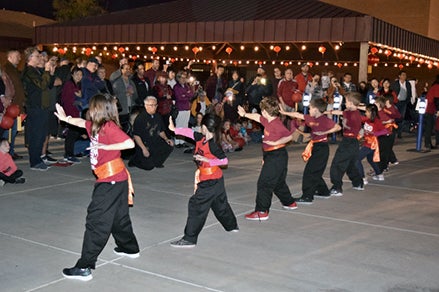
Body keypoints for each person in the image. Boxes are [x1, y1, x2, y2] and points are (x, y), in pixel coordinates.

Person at [55, 94, 139, 281]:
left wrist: (106, 148)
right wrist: (65, 118)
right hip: (115, 179)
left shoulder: (108, 126)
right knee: (119, 217)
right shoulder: (95, 125)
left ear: (100, 109)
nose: (89, 110)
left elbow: (129, 143)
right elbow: (79, 122)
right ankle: (129, 247)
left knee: (96, 221)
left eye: (92, 107)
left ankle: (84, 267)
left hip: (110, 180)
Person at [168, 113, 238, 248]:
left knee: (196, 206)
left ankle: (189, 238)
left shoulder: (213, 145)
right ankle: (231, 226)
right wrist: (174, 129)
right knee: (220, 204)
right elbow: (189, 132)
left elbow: (224, 160)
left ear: (205, 127)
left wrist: (208, 160)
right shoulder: (202, 138)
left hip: (209, 181)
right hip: (215, 179)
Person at [237, 97, 298, 221]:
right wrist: (244, 114)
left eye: (262, 110)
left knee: (264, 183)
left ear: (265, 111)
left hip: (276, 155)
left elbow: (289, 137)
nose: (261, 113)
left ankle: (262, 211)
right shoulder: (268, 120)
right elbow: (256, 117)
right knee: (278, 182)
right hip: (273, 155)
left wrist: (276, 142)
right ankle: (289, 203)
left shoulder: (276, 124)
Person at [279, 99, 341, 204]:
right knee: (315, 171)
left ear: (316, 110)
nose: (308, 109)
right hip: (315, 146)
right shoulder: (310, 118)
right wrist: (285, 113)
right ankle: (324, 191)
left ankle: (307, 197)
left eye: (310, 108)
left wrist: (325, 132)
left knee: (309, 172)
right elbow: (297, 114)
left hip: (322, 148)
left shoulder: (324, 120)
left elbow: (338, 127)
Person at [21, 47, 56, 171]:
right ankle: (34, 161)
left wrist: (50, 73)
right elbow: (41, 85)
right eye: (37, 56)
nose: (40, 58)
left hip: (42, 106)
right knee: (36, 135)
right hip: (35, 107)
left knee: (41, 135)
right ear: (30, 58)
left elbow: (48, 85)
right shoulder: (29, 71)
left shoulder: (37, 70)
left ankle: (39, 158)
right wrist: (46, 71)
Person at [328, 92, 364, 196]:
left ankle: (337, 187)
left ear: (352, 103)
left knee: (337, 164)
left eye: (347, 101)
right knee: (350, 164)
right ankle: (358, 183)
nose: (345, 103)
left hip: (348, 141)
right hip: (354, 142)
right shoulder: (354, 112)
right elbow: (341, 113)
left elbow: (341, 113)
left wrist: (327, 112)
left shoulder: (351, 114)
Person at [128, 96, 174, 170]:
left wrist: (166, 139)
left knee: (169, 145)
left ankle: (157, 162)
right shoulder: (140, 118)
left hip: (154, 141)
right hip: (144, 143)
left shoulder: (158, 116)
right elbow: (136, 135)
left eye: (155, 105)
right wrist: (143, 149)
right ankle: (134, 160)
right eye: (151, 105)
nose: (154, 107)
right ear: (146, 106)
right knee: (148, 167)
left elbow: (161, 131)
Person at [356, 104, 387, 185]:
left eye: (366, 111)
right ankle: (379, 174)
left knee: (356, 159)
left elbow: (385, 131)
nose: (365, 113)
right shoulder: (367, 119)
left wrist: (374, 133)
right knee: (370, 159)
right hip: (367, 142)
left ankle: (362, 178)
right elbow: (359, 118)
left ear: (370, 112)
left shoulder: (377, 121)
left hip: (371, 144)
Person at [3, 49, 25, 160]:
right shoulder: (7, 70)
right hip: (11, 106)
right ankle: (6, 153)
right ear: (10, 57)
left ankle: (11, 151)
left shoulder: (14, 70)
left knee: (14, 130)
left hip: (16, 105)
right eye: (17, 56)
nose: (19, 58)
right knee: (8, 131)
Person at [60, 66, 84, 163]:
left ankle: (71, 152)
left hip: (77, 113)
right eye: (77, 74)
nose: (79, 77)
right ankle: (68, 154)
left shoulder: (79, 85)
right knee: (71, 134)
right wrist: (79, 99)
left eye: (81, 75)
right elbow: (67, 100)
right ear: (72, 75)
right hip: (71, 113)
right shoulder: (69, 85)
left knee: (74, 134)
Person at [173, 70, 194, 147]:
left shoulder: (187, 86)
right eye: (182, 78)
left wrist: (185, 95)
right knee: (179, 125)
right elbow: (179, 97)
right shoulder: (176, 87)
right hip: (180, 108)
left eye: (185, 78)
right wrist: (186, 95)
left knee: (185, 125)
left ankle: (182, 141)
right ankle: (177, 142)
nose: (184, 79)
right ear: (178, 78)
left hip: (187, 108)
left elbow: (191, 94)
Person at [391, 71, 412, 138]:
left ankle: (399, 132)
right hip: (396, 102)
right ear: (399, 76)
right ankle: (393, 131)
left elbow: (409, 93)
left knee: (401, 117)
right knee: (394, 116)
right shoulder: (395, 84)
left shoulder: (408, 84)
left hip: (404, 102)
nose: (404, 76)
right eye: (402, 75)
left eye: (405, 75)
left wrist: (407, 101)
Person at [424, 75, 439, 150]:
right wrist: (438, 110)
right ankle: (427, 144)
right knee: (429, 127)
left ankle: (428, 143)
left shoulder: (435, 86)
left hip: (430, 108)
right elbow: (437, 100)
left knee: (429, 127)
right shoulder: (437, 86)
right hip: (430, 108)